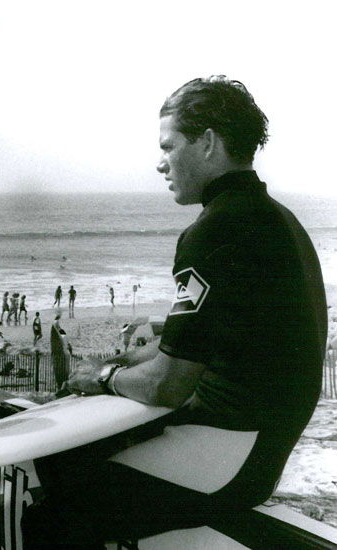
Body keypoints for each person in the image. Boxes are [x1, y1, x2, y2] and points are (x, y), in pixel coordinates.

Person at [22, 76, 326, 548]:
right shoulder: (279, 219)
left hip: (229, 455)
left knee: (51, 518)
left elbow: (168, 385)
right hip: (262, 448)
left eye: (169, 146)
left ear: (206, 143)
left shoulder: (213, 231)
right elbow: (203, 348)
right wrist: (131, 360)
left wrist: (101, 378)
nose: (160, 163)